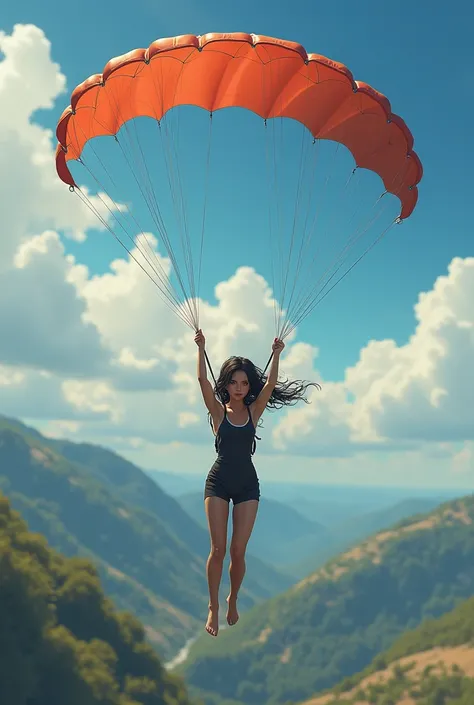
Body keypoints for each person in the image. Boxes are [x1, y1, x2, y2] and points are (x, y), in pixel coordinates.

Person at [194, 329, 319, 636]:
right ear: (226, 384)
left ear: (249, 385)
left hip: (248, 484)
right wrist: (201, 348)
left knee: (238, 551)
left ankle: (233, 598)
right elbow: (201, 381)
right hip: (219, 482)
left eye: (244, 383)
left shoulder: (253, 410)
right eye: (234, 382)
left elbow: (272, 384)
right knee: (218, 548)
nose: (239, 388)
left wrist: (277, 353)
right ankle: (213, 608)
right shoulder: (217, 411)